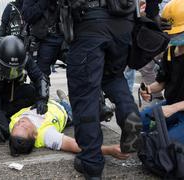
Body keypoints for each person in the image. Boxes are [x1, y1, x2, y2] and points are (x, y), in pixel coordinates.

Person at [65, 0, 171, 179]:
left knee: (85, 96)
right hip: (123, 23)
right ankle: (130, 112)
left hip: (89, 22)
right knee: (113, 76)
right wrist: (153, 15)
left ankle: (91, 164)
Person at [9, 90, 130, 160]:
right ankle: (109, 109)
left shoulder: (13, 127)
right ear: (35, 135)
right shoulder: (46, 135)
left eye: (16, 125)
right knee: (88, 112)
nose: (20, 122)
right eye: (24, 127)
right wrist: (109, 150)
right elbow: (75, 146)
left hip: (48, 102)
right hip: (66, 112)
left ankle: (63, 98)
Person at [140, 0, 184, 144]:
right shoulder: (170, 51)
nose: (174, 36)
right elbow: (163, 81)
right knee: (135, 122)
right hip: (171, 105)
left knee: (166, 146)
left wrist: (173, 108)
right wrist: (149, 89)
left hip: (175, 107)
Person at [22, 0, 64, 76]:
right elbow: (27, 15)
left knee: (78, 71)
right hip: (44, 39)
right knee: (41, 76)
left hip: (67, 38)